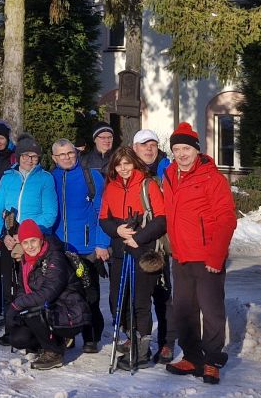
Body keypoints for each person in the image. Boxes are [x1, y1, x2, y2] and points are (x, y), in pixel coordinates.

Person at [163, 122, 237, 385]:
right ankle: (192, 357)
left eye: (186, 148)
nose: (181, 154)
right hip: (180, 255)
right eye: (176, 149)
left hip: (207, 257)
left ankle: (212, 361)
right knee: (184, 310)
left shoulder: (212, 178)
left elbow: (226, 219)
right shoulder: (169, 175)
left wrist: (216, 257)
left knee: (211, 310)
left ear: (196, 150)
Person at [99, 146, 168, 371]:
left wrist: (138, 237)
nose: (123, 168)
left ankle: (143, 351)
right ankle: (132, 338)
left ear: (134, 163)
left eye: (127, 163)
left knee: (140, 302)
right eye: (119, 164)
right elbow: (103, 218)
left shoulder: (148, 184)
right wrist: (117, 230)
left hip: (143, 250)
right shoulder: (111, 187)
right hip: (120, 251)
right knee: (118, 300)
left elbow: (161, 219)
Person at [1, 219, 90, 371]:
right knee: (18, 338)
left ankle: (54, 352)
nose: (30, 246)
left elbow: (47, 293)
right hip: (47, 312)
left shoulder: (55, 257)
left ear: (41, 240)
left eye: (33, 241)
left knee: (34, 310)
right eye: (25, 242)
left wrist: (17, 305)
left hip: (69, 312)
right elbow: (23, 288)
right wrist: (16, 311)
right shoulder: (25, 260)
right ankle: (50, 342)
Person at [48, 138, 110, 352]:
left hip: (86, 248)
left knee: (89, 295)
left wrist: (102, 242)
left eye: (70, 153)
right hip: (59, 249)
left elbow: (103, 211)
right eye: (61, 155)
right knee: (62, 296)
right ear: (54, 158)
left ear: (76, 153)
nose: (67, 158)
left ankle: (91, 337)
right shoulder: (50, 178)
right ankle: (68, 335)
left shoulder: (91, 176)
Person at [0, 135, 56, 313]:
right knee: (9, 283)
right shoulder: (8, 178)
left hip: (33, 240)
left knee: (32, 283)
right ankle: (10, 320)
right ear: (18, 156)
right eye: (25, 155)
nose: (29, 160)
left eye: (34, 156)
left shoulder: (45, 178)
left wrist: (26, 234)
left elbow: (50, 214)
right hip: (10, 238)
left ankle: (33, 319)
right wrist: (3, 236)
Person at [130, 127, 174, 362]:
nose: (149, 149)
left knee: (162, 294)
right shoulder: (127, 170)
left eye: (153, 145)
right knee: (139, 296)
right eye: (144, 145)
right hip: (135, 242)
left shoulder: (167, 170)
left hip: (160, 242)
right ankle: (138, 338)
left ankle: (167, 342)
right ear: (135, 148)